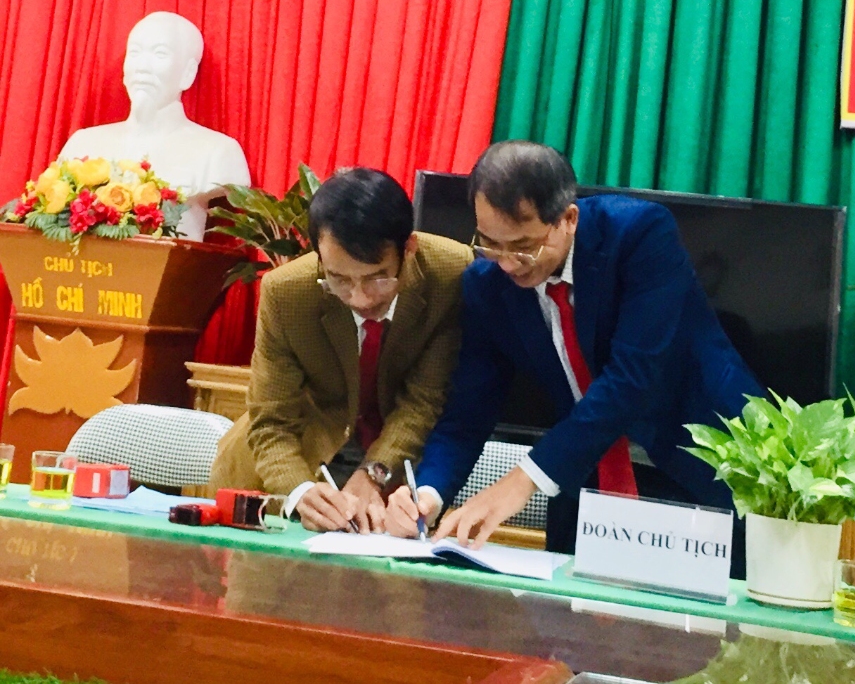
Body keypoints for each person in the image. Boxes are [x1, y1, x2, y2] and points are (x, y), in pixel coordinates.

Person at [387, 141, 763, 567]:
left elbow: (633, 379)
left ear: (568, 219)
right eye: (490, 242)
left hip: (700, 459)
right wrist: (429, 494)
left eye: (524, 246)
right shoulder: (486, 284)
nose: (507, 263)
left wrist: (522, 480)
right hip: (582, 470)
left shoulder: (639, 234)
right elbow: (468, 411)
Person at [209, 167, 470, 532]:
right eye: (339, 279)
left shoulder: (450, 274)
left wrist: (375, 473)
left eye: (378, 278)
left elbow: (424, 401)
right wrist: (299, 492)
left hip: (399, 460)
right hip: (297, 456)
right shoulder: (287, 293)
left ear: (409, 248)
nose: (360, 298)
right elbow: (271, 420)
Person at [60, 11, 251, 240]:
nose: (142, 67)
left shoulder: (218, 152)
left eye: (160, 54)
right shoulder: (82, 144)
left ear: (188, 73)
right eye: (135, 53)